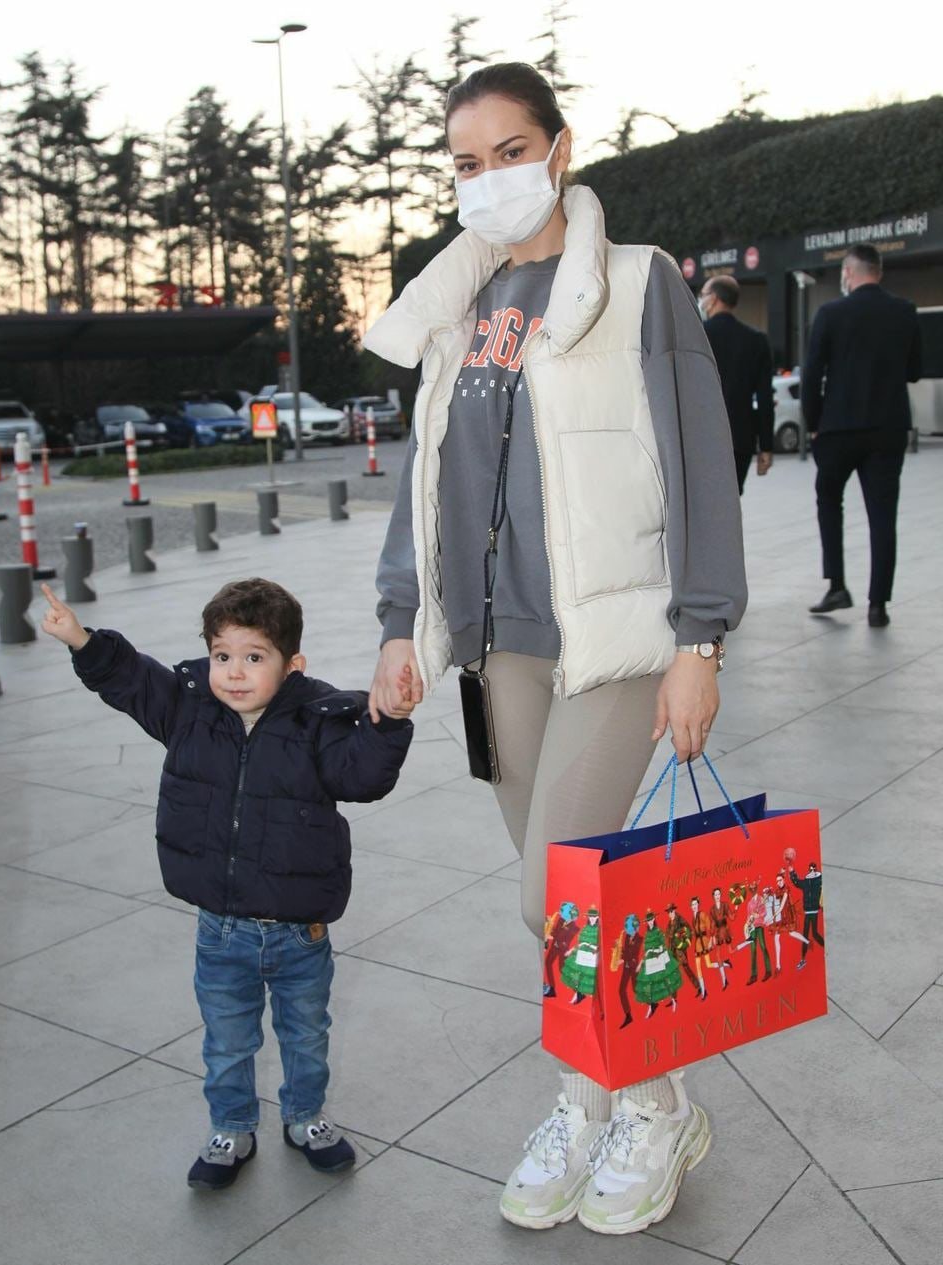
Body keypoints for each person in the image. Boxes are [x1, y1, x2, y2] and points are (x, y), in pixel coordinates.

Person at [364, 61, 747, 1237]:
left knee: (556, 891)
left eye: (510, 151)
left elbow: (697, 460)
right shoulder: (457, 305)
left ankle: (654, 1103)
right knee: (565, 906)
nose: (488, 179)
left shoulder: (637, 283)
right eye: (465, 164)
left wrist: (700, 637)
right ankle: (596, 1100)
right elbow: (428, 477)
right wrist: (400, 619)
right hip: (497, 647)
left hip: (613, 637)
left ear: (559, 148)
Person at [39, 578, 413, 1190]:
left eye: (254, 657)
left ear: (292, 665)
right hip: (220, 930)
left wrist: (389, 721)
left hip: (299, 932)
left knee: (306, 1034)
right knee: (227, 1039)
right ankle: (231, 1127)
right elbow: (131, 679)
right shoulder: (187, 710)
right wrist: (80, 639)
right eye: (221, 655)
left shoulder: (317, 719)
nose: (234, 673)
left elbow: (363, 777)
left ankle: (305, 1117)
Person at [802, 244, 923, 627]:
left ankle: (837, 585)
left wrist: (814, 423)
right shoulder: (904, 311)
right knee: (883, 515)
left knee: (828, 500)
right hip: (888, 427)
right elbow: (915, 370)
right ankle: (878, 605)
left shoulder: (830, 313)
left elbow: (811, 375)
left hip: (838, 428)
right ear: (879, 272)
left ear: (848, 273)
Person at [699, 275, 775, 494]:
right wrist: (766, 446)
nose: (701, 300)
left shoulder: (697, 335)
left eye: (703, 295)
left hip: (702, 436)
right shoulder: (756, 340)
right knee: (732, 500)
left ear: (714, 299)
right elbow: (765, 397)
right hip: (740, 437)